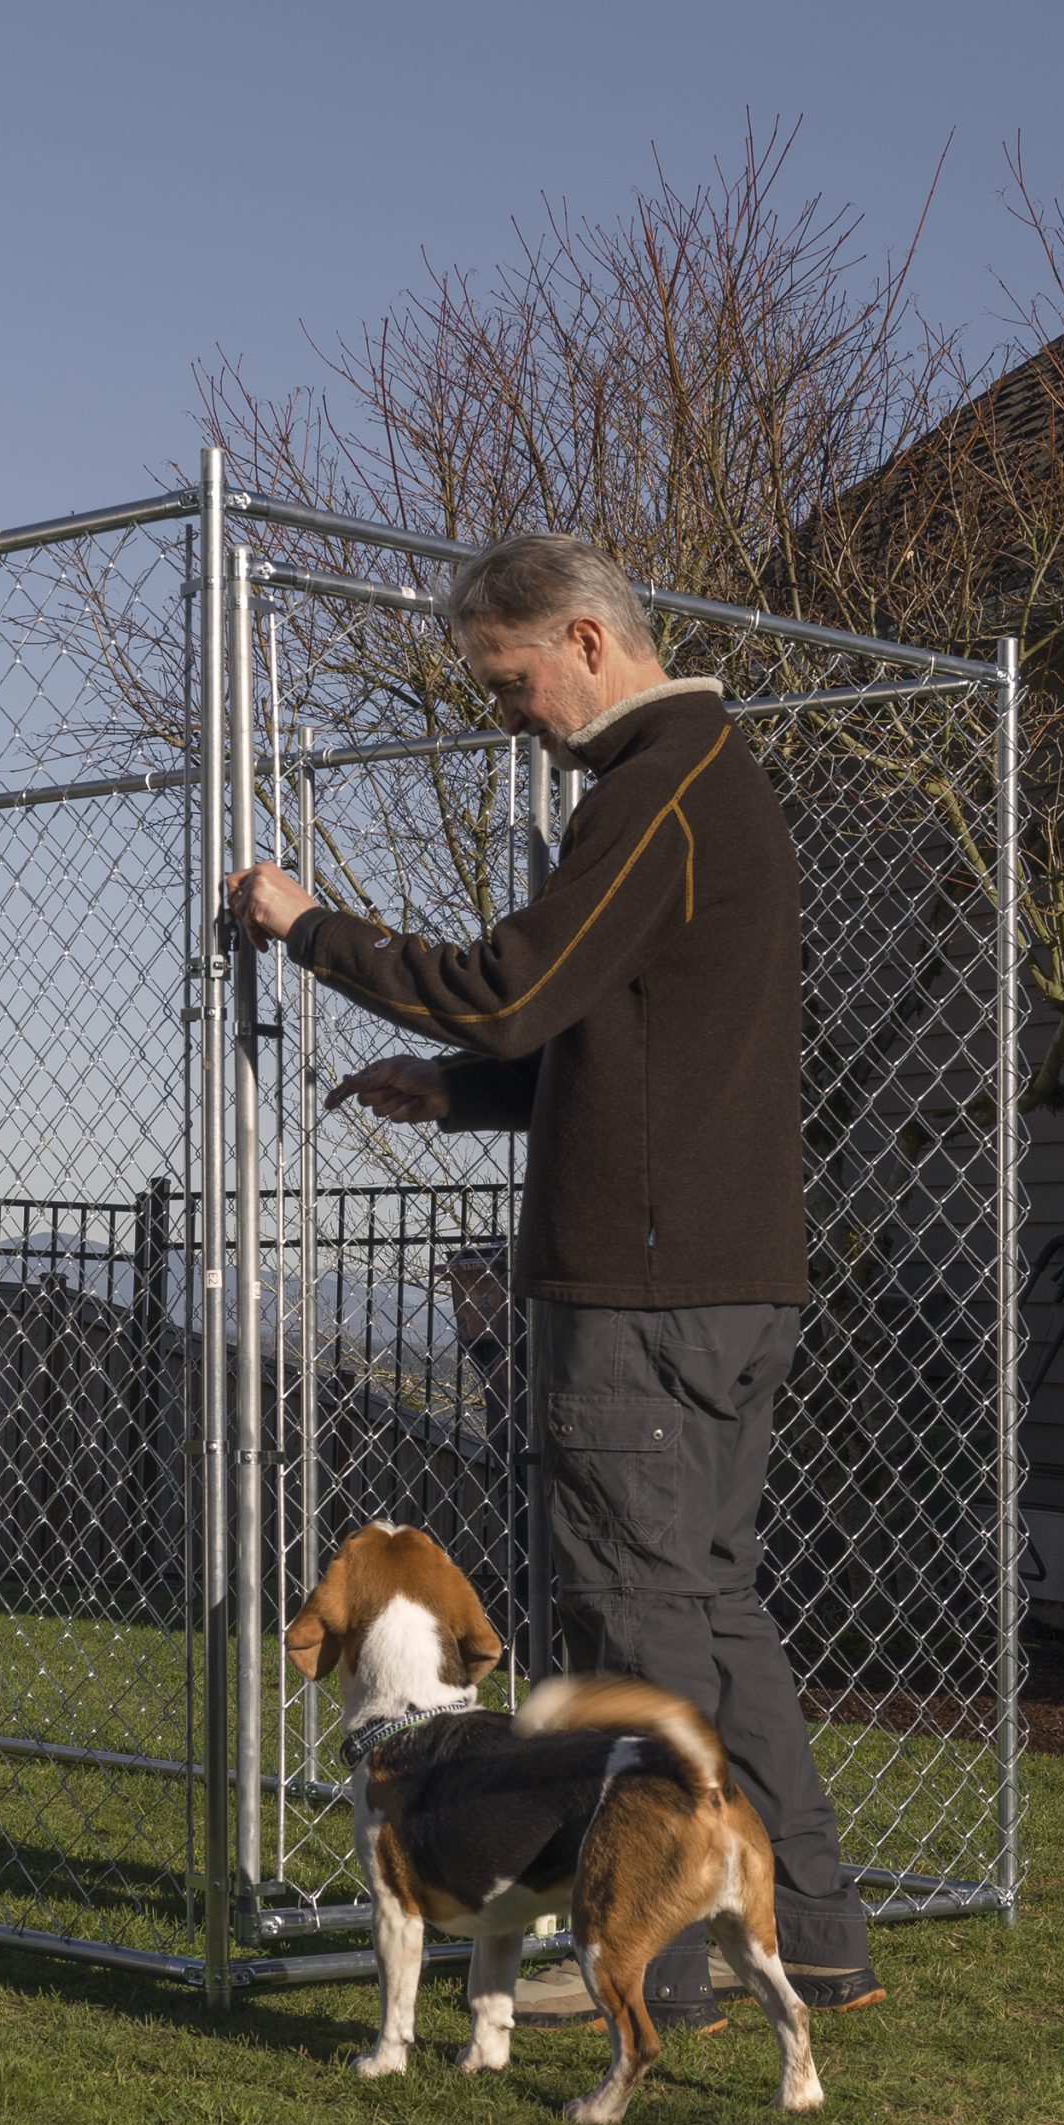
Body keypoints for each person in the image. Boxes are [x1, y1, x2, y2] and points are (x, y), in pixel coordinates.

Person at [224, 530, 883, 2030]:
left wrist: (307, 925)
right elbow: (622, 1048)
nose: (503, 711)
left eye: (507, 679)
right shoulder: (711, 789)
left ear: (586, 641)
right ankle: (819, 1936)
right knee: (712, 1613)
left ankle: (658, 1962)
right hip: (726, 1281)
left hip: (641, 1299)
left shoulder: (657, 792)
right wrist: (453, 1094)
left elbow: (518, 988)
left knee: (633, 1627)